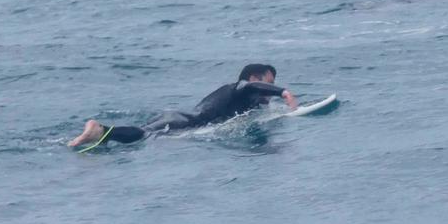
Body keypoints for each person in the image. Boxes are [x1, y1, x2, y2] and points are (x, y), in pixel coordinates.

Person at [66, 64, 297, 149]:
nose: (271, 89)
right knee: (143, 135)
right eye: (269, 82)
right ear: (256, 78)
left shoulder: (244, 97)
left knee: (144, 132)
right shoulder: (242, 86)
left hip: (178, 116)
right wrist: (283, 93)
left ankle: (100, 134)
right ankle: (100, 130)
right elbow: (251, 87)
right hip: (185, 121)